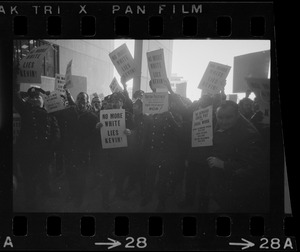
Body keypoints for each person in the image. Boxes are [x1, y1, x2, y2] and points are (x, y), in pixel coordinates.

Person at [13, 81, 60, 211]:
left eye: (37, 97)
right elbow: (16, 99)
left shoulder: (50, 114)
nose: (34, 99)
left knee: (45, 175)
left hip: (44, 152)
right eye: (32, 97)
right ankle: (31, 201)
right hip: (28, 153)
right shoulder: (26, 111)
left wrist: (51, 148)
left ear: (43, 100)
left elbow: (56, 133)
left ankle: (47, 191)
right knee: (30, 180)